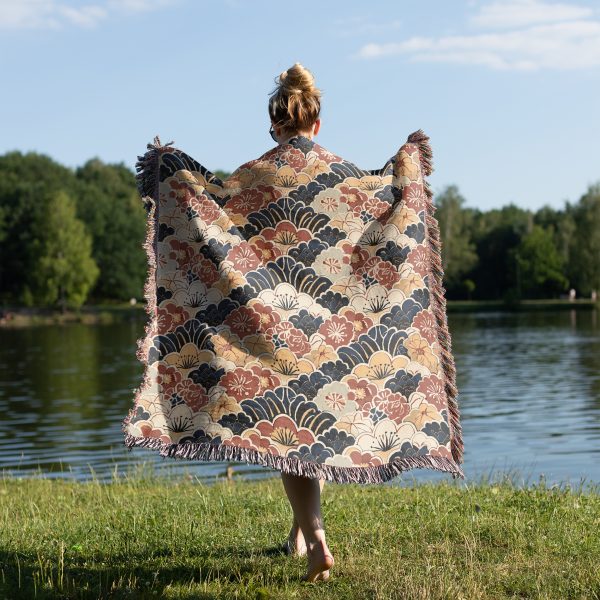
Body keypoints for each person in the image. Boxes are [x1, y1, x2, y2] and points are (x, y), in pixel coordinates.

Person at [266, 62, 334, 583]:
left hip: (272, 322)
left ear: (276, 125)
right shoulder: (341, 175)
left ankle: (316, 542)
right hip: (331, 323)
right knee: (313, 431)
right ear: (316, 122)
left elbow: (214, 219)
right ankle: (296, 535)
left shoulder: (256, 175)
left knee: (290, 434)